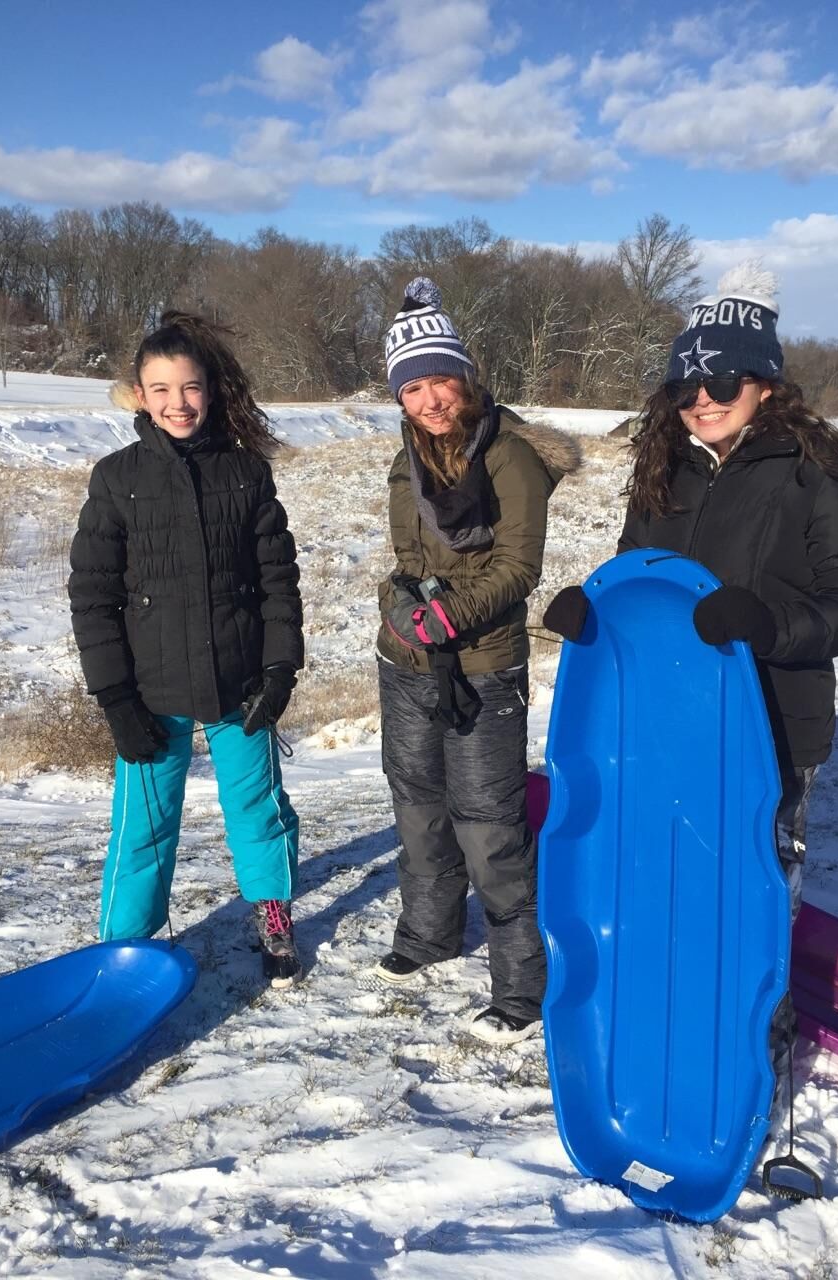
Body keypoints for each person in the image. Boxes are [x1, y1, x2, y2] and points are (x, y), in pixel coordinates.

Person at [544, 261, 838, 1099]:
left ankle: (750, 1083)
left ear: (766, 381)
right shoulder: (667, 459)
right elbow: (640, 573)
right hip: (666, 722)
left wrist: (770, 625)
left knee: (749, 908)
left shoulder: (829, 466)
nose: (702, 396)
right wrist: (594, 613)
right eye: (685, 383)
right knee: (662, 893)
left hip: (769, 726)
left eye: (723, 378)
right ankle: (663, 1053)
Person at [373, 276, 581, 1046]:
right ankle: (428, 935)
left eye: (441, 381)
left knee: (488, 819)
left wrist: (446, 616)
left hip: (484, 662)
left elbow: (518, 569)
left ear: (467, 377)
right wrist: (398, 603)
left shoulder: (512, 459)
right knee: (417, 800)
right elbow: (405, 556)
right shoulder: (406, 459)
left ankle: (522, 984)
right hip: (406, 661)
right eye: (413, 386)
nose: (431, 400)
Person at [69, 311, 304, 987]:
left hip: (239, 680)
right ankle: (123, 945)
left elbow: (277, 579)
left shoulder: (247, 473)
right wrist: (114, 696)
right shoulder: (116, 478)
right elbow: (93, 596)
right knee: (143, 826)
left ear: (211, 390)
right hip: (148, 687)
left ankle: (272, 912)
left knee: (258, 809)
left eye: (191, 387)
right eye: (162, 388)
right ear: (139, 394)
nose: (178, 402)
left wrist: (280, 666)